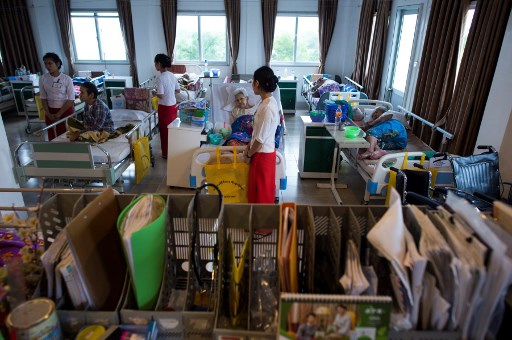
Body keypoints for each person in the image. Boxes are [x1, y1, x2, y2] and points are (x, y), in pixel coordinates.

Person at [244, 66, 280, 205]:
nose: (252, 84)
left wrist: (248, 155)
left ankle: (262, 226)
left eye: (252, 82)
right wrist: (249, 146)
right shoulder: (265, 102)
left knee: (261, 195)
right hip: (261, 153)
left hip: (262, 156)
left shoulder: (267, 108)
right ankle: (257, 224)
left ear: (257, 83)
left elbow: (260, 139)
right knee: (258, 192)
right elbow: (258, 132)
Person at [39, 52, 75, 141]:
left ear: (57, 64)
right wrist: (48, 114)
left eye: (50, 63)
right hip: (50, 111)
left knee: (65, 135)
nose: (47, 66)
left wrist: (59, 113)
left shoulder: (66, 79)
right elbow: (43, 98)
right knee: (52, 136)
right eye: (45, 64)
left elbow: (71, 99)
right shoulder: (43, 78)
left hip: (65, 110)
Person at [153, 53, 180, 159]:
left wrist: (154, 92)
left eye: (155, 63)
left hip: (165, 108)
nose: (155, 65)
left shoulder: (160, 78)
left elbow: (161, 95)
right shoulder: (172, 75)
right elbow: (178, 90)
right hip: (173, 106)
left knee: (165, 132)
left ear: (159, 64)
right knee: (172, 130)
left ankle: (166, 154)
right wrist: (170, 92)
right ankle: (174, 151)